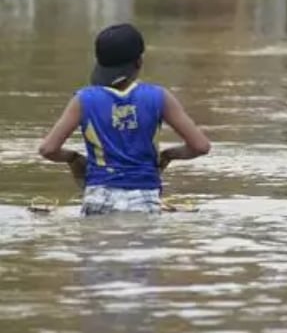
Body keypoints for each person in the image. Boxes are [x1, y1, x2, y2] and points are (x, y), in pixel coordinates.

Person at [37, 23, 212, 216]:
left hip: (98, 199)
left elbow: (48, 149)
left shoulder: (83, 99)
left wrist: (73, 158)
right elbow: (200, 146)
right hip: (145, 200)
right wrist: (168, 155)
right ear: (139, 62)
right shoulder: (159, 97)